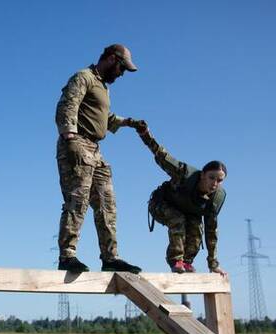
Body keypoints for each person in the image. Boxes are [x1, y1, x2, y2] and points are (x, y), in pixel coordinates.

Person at [55, 43, 143, 273]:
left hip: (95, 148)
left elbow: (102, 117)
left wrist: (127, 122)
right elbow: (67, 106)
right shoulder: (83, 77)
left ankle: (110, 257)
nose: (122, 74)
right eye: (122, 68)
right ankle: (67, 255)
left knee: (107, 202)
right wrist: (70, 137)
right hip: (77, 143)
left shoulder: (103, 87)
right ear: (113, 59)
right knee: (78, 199)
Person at [134, 121, 227, 276]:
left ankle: (186, 262)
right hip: (161, 204)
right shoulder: (184, 174)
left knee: (197, 230)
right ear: (203, 174)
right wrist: (145, 134)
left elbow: (212, 234)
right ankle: (176, 260)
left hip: (189, 211)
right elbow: (161, 155)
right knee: (178, 218)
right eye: (211, 178)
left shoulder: (215, 199)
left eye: (219, 180)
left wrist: (213, 264)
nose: (214, 184)